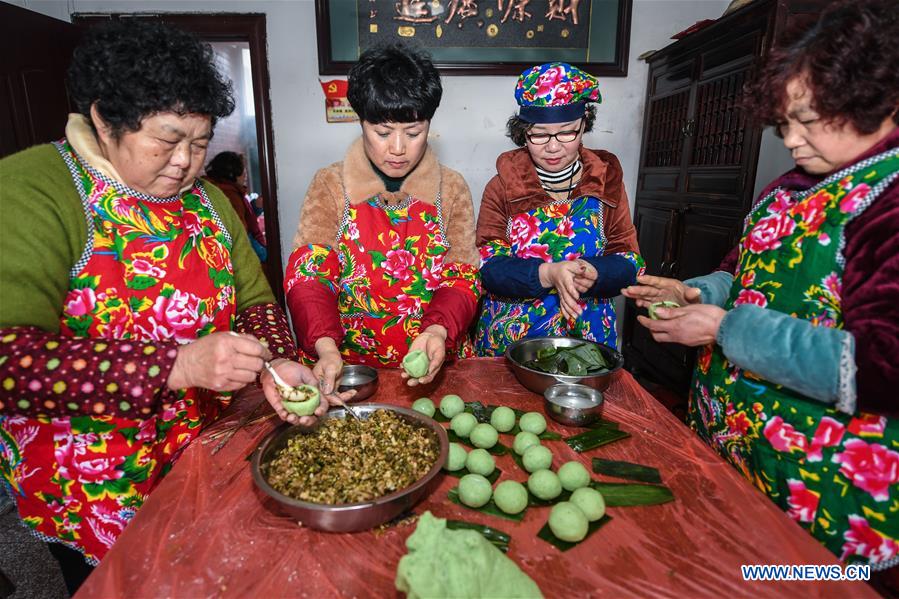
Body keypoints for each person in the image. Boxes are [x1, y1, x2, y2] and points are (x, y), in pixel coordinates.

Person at [0, 21, 331, 590]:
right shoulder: (34, 188)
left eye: (200, 143)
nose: (185, 162)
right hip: (91, 471)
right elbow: (9, 358)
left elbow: (254, 298)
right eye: (166, 139)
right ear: (105, 120)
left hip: (197, 448)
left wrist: (280, 362)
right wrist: (176, 365)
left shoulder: (208, 201)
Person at [622, 0, 899, 570]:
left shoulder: (888, 199)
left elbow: (880, 367)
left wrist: (725, 329)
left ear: (877, 97)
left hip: (823, 479)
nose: (793, 139)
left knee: (792, 580)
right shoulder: (791, 186)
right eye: (784, 122)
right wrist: (697, 293)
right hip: (738, 446)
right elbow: (741, 273)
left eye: (811, 120)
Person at [282, 41, 480, 397]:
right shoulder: (331, 185)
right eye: (384, 132)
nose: (399, 148)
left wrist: (437, 332)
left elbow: (461, 274)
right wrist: (325, 346)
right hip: (350, 371)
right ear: (361, 121)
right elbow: (310, 272)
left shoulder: (450, 188)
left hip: (435, 366)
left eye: (414, 132)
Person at [474, 62, 643, 356]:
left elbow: (630, 261)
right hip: (513, 341)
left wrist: (594, 271)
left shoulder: (606, 181)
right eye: (538, 135)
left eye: (567, 133)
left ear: (584, 125)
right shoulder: (503, 186)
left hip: (585, 339)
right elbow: (489, 269)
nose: (553, 147)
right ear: (522, 132)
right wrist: (548, 273)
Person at [203, 151, 268, 261]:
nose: (245, 174)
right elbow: (241, 234)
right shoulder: (230, 196)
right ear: (232, 173)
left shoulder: (215, 189)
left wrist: (255, 206)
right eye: (242, 170)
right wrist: (263, 254)